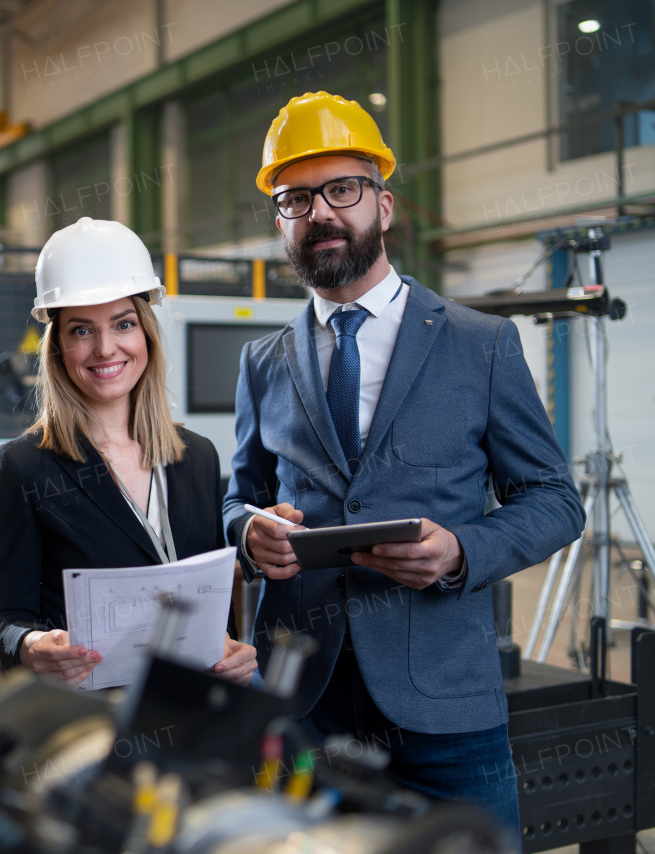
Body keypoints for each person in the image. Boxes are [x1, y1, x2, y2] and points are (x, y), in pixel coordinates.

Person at [221, 92, 585, 836]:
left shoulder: (479, 344)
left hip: (442, 704)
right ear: (281, 220)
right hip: (300, 697)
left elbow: (553, 498)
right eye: (295, 197)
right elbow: (239, 496)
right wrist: (248, 533)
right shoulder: (263, 362)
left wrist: (461, 550)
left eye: (342, 189)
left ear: (383, 206)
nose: (320, 211)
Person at [0, 217, 257, 688]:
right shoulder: (24, 467)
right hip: (91, 720)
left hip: (191, 705)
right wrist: (29, 645)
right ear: (58, 348)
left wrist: (231, 650)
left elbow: (210, 599)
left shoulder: (197, 457)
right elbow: (3, 618)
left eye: (123, 324)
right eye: (82, 331)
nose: (106, 348)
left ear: (146, 333)